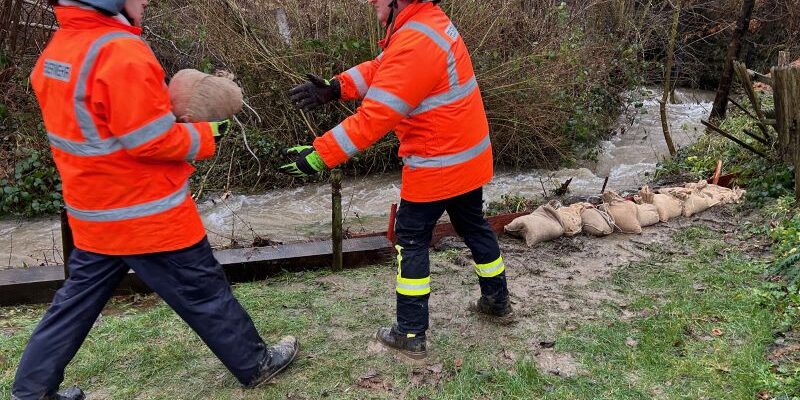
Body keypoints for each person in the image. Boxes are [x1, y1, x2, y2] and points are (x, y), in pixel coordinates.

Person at [11, 1, 298, 398]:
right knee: (204, 291)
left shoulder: (59, 49)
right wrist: (207, 135)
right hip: (148, 215)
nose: (144, 1)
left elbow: (103, 129)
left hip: (94, 215)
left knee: (73, 306)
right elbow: (150, 139)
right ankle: (255, 363)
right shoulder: (121, 53)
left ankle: (32, 392)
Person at [283, 0, 511, 360]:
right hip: (466, 157)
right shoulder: (424, 24)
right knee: (473, 226)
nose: (371, 1)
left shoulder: (416, 39)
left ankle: (409, 332)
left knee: (411, 240)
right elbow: (383, 68)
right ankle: (497, 301)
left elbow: (373, 118)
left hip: (437, 162)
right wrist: (336, 87)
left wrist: (318, 155)